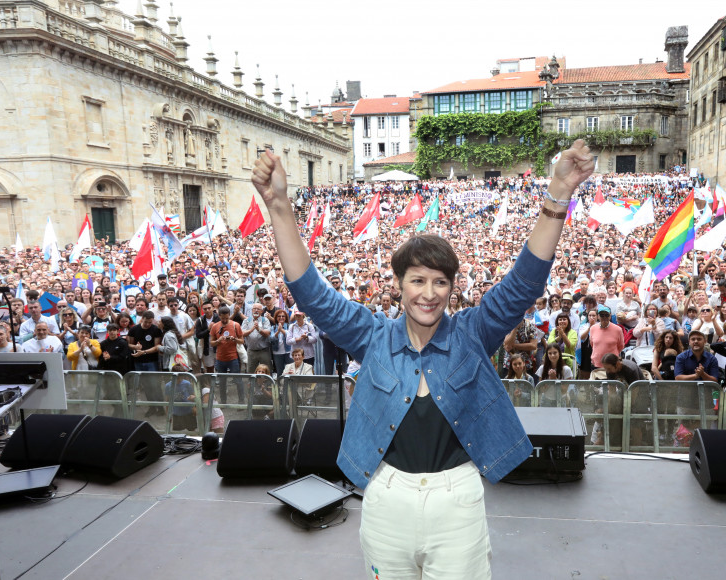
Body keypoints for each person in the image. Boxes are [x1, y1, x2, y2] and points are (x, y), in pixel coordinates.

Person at [253, 138, 595, 578]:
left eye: (439, 282)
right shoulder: (371, 336)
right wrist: (279, 204)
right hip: (385, 498)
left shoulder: (474, 333)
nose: (428, 294)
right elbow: (312, 294)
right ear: (399, 283)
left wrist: (559, 192)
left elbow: (524, 283)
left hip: (458, 503)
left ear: (452, 286)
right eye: (417, 280)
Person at [242, 302, 273, 373]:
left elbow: (267, 333)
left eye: (258, 309)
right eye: (254, 309)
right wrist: (251, 330)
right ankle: (252, 384)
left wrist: (258, 329)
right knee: (250, 372)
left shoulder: (265, 320)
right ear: (252, 310)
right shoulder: (246, 320)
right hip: (251, 351)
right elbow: (242, 334)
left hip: (263, 351)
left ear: (262, 311)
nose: (256, 310)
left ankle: (267, 384)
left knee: (267, 371)